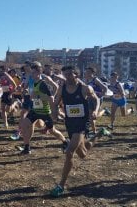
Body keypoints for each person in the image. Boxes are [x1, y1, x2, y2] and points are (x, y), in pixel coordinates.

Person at [50, 65, 111, 197]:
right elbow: (55, 102)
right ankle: (100, 134)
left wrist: (95, 111)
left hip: (82, 124)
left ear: (76, 75)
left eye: (69, 74)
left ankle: (61, 185)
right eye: (65, 74)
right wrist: (54, 112)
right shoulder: (62, 88)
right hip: (70, 124)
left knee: (69, 152)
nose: (66, 77)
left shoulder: (84, 88)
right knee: (83, 153)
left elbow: (96, 99)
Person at [17, 63, 68, 154]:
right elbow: (34, 95)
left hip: (45, 112)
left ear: (38, 73)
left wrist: (38, 96)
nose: (31, 75)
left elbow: (51, 98)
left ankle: (65, 142)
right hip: (35, 110)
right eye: (31, 73)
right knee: (24, 125)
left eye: (33, 73)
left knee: (52, 131)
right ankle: (27, 147)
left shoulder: (43, 84)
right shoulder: (34, 82)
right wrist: (28, 93)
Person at [84, 67, 109, 134]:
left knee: (95, 116)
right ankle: (94, 132)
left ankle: (104, 111)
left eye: (89, 72)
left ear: (93, 73)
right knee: (91, 116)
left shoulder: (95, 79)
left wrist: (101, 95)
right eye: (86, 72)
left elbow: (105, 88)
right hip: (89, 99)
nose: (87, 73)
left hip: (96, 99)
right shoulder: (86, 80)